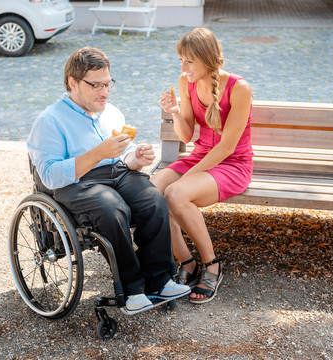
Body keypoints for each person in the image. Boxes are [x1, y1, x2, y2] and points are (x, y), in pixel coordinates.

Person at [26, 47, 190, 315]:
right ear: (72, 82)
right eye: (96, 85)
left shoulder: (110, 111)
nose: (104, 92)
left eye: (108, 84)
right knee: (113, 209)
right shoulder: (50, 121)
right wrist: (98, 153)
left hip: (117, 173)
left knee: (154, 200)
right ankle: (132, 288)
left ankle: (159, 280)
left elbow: (123, 156)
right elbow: (50, 176)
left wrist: (135, 157)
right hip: (75, 183)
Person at [151, 27, 254, 304]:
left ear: (207, 59)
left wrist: (185, 179)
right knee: (151, 192)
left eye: (189, 61)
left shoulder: (239, 88)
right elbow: (186, 136)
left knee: (175, 193)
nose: (183, 68)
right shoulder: (187, 81)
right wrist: (175, 112)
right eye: (181, 61)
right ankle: (187, 263)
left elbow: (227, 147)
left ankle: (211, 265)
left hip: (231, 163)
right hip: (201, 156)